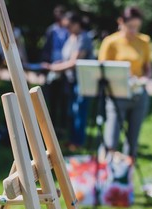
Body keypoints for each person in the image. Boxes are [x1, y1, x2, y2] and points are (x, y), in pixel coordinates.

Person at [98, 6, 152, 161]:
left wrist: (146, 79)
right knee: (111, 138)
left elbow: (148, 68)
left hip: (138, 94)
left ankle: (126, 177)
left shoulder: (144, 41)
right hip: (116, 94)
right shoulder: (110, 42)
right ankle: (106, 170)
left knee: (133, 140)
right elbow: (102, 69)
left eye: (137, 27)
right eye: (130, 27)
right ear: (121, 22)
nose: (133, 31)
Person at [42, 11, 94, 150]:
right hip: (71, 80)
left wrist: (54, 67)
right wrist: (57, 64)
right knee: (71, 111)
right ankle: (72, 140)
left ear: (77, 24)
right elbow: (66, 58)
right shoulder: (72, 37)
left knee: (79, 111)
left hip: (84, 80)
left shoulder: (84, 38)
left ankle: (77, 142)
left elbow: (74, 62)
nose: (67, 28)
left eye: (69, 25)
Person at [41, 5, 69, 137]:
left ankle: (62, 128)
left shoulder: (69, 31)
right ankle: (51, 128)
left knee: (64, 100)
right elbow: (47, 48)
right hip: (52, 68)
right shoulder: (51, 30)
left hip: (65, 70)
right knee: (51, 100)